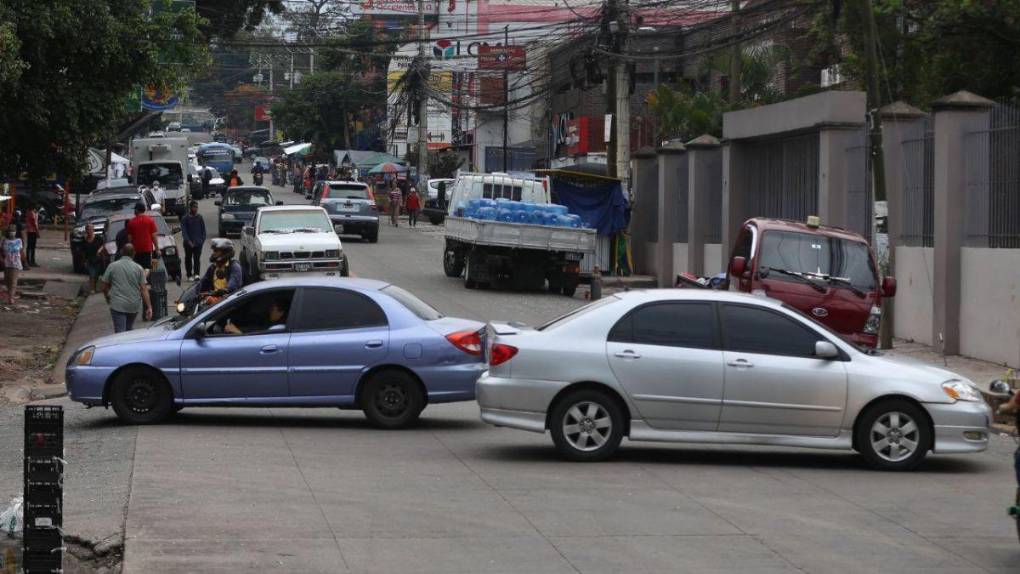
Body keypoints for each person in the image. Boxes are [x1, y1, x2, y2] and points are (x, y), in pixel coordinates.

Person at [101, 244, 152, 332]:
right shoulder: (138, 268)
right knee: (128, 331)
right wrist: (149, 307)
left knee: (120, 332)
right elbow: (144, 290)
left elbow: (104, 286)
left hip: (117, 304)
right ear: (134, 254)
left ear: (121, 252)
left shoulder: (112, 266)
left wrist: (107, 297)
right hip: (133, 305)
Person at [198, 238, 242, 306]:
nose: (213, 253)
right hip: (214, 299)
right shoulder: (213, 267)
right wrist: (191, 295)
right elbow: (203, 282)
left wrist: (221, 291)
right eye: (213, 251)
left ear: (225, 252)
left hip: (230, 302)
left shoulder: (234, 267)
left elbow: (232, 286)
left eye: (216, 251)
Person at [224, 296, 289, 335]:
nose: (269, 311)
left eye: (272, 309)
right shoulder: (271, 322)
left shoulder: (278, 328)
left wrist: (237, 332)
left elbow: (259, 344)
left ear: (281, 312)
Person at [125, 202, 159, 271]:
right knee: (147, 268)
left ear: (137, 210)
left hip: (135, 250)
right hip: (147, 249)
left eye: (135, 209)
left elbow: (129, 239)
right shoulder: (150, 221)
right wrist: (157, 249)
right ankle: (146, 280)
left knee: (137, 269)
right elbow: (154, 236)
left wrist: (129, 251)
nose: (134, 211)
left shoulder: (131, 222)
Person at [180, 200, 206, 281]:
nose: (195, 209)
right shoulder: (185, 218)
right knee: (188, 258)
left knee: (197, 259)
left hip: (198, 243)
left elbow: (203, 230)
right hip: (188, 243)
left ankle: (197, 274)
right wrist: (188, 241)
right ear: (190, 208)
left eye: (196, 207)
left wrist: (202, 240)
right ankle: (189, 274)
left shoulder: (199, 217)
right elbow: (184, 232)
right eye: (194, 207)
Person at [1, 224, 25, 304]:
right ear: (8, 232)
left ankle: (11, 298)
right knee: (7, 280)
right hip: (6, 263)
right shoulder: (4, 240)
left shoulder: (19, 241)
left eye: (13, 231)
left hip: (16, 263)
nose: (12, 233)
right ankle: (10, 294)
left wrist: (24, 262)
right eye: (10, 231)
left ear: (16, 232)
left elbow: (21, 251)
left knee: (13, 281)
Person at [81, 223, 104, 294]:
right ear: (86, 230)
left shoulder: (98, 238)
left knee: (96, 275)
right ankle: (92, 289)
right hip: (89, 260)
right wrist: (84, 261)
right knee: (92, 274)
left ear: (93, 230)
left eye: (91, 229)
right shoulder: (84, 240)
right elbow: (83, 252)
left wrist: (99, 250)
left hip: (97, 260)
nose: (90, 231)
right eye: (88, 229)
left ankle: (94, 287)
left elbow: (103, 245)